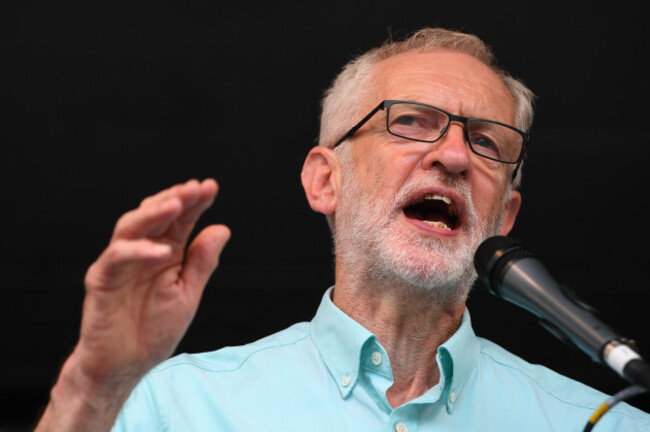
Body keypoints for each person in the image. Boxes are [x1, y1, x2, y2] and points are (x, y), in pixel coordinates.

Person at [35, 28, 649, 431]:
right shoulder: (177, 405)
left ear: (505, 216)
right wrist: (92, 385)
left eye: (487, 141)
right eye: (411, 121)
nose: (456, 156)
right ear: (325, 181)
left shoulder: (606, 423)